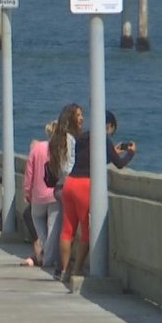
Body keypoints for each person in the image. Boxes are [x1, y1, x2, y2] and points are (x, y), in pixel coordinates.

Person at [59, 108, 138, 283]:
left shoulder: (82, 137)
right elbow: (120, 164)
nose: (110, 133)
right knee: (87, 229)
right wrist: (130, 153)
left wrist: (111, 152)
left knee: (67, 229)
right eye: (111, 130)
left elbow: (88, 158)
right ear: (109, 125)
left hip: (70, 183)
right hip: (84, 185)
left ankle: (64, 270)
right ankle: (77, 270)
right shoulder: (104, 140)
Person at [47, 104, 81, 279]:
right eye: (78, 115)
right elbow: (70, 164)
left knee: (63, 226)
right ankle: (64, 268)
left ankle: (60, 267)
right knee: (68, 230)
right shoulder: (70, 139)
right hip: (68, 185)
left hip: (58, 186)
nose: (81, 119)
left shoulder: (55, 139)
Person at [22, 120, 59, 267]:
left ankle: (43, 253)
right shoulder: (59, 150)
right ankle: (48, 260)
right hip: (55, 194)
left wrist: (27, 192)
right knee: (53, 227)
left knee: (38, 221)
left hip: (38, 195)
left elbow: (28, 174)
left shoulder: (37, 148)